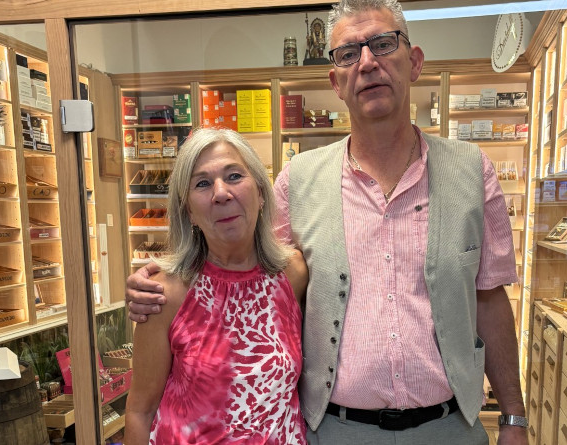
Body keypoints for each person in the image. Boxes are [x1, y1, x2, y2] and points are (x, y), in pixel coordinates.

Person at [126, 0, 528, 443]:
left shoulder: (472, 171)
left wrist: (513, 415)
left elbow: (490, 299)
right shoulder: (298, 181)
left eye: (383, 43)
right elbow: (244, 266)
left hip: (450, 428)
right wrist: (160, 282)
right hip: (335, 430)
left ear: (414, 62)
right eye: (349, 53)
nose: (368, 63)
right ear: (336, 81)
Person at [124, 128, 308, 445]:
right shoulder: (165, 294)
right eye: (202, 183)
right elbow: (141, 410)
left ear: (261, 193)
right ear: (189, 212)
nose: (221, 193)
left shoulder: (293, 274)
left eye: (234, 176)